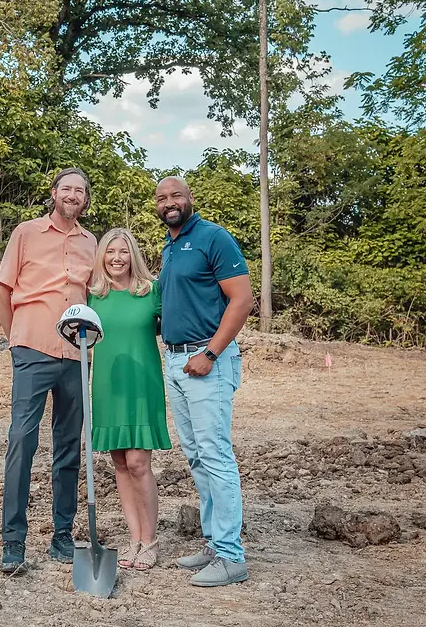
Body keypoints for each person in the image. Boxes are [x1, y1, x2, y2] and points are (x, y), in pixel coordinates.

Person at [0, 167, 98, 574]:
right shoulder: (26, 233)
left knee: (69, 445)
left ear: (86, 200)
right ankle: (13, 541)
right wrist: (15, 340)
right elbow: (3, 290)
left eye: (80, 191)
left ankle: (62, 536)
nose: (72, 195)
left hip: (76, 355)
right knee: (22, 439)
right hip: (32, 350)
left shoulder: (92, 243)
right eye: (66, 188)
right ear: (54, 193)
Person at [155, 175, 255, 587]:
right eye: (161, 198)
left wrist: (210, 353)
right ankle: (215, 543)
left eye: (176, 195)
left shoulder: (214, 237)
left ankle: (232, 556)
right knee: (196, 457)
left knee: (215, 455)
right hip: (176, 361)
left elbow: (243, 299)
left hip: (206, 361)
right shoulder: (171, 246)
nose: (169, 202)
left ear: (190, 198)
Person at [86, 228, 171, 571]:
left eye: (123, 252)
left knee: (138, 463)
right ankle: (134, 537)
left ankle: (150, 539)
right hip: (108, 386)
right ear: (101, 257)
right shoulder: (93, 296)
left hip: (142, 384)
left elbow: (175, 325)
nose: (116, 258)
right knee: (119, 463)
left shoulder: (151, 292)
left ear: (132, 255)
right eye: (110, 252)